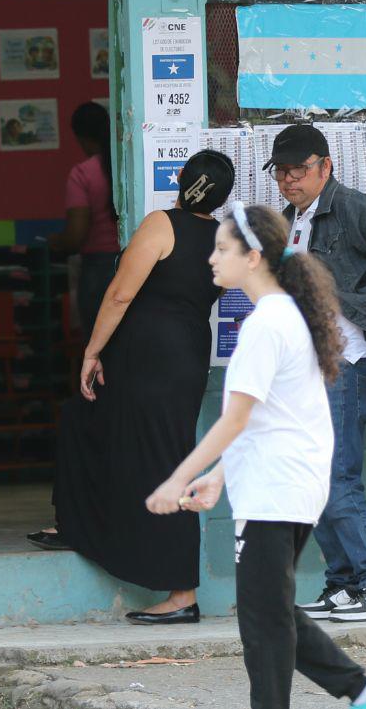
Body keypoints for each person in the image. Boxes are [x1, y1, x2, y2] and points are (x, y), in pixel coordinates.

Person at [147, 204, 366, 709]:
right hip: (286, 484)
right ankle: (359, 689)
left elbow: (236, 419)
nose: (211, 259)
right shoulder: (285, 314)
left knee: (262, 620)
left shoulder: (267, 324)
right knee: (270, 607)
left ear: (253, 257)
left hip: (275, 489)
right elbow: (266, 415)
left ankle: (346, 690)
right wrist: (218, 475)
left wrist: (178, 479)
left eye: (221, 249)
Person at [29, 150, 235, 625]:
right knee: (95, 421)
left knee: (160, 458)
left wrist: (91, 351)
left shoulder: (161, 224)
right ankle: (80, 525)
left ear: (182, 180)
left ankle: (182, 594)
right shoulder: (225, 238)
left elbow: (121, 292)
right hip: (183, 352)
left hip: (147, 354)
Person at [264, 124, 366, 622]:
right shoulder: (292, 219)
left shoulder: (351, 206)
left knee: (336, 476)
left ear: (325, 166)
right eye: (282, 172)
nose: (290, 180)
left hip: (343, 360)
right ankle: (344, 582)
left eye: (300, 170)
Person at [48, 102, 122, 338]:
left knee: (98, 347)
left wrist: (56, 242)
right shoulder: (125, 167)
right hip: (132, 263)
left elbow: (76, 235)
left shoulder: (82, 173)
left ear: (80, 137)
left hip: (98, 272)